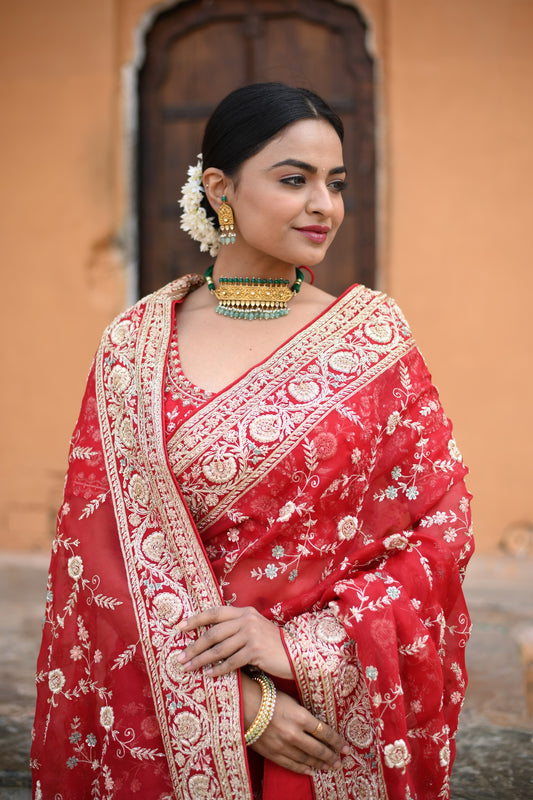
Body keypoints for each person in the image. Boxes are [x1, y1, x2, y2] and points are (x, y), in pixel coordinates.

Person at [31, 83, 473, 800]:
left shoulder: (372, 342)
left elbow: (438, 529)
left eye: (334, 184)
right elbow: (101, 561)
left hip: (320, 723)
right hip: (171, 717)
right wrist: (238, 703)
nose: (322, 206)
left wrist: (301, 648)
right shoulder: (134, 347)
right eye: (293, 180)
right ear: (219, 187)